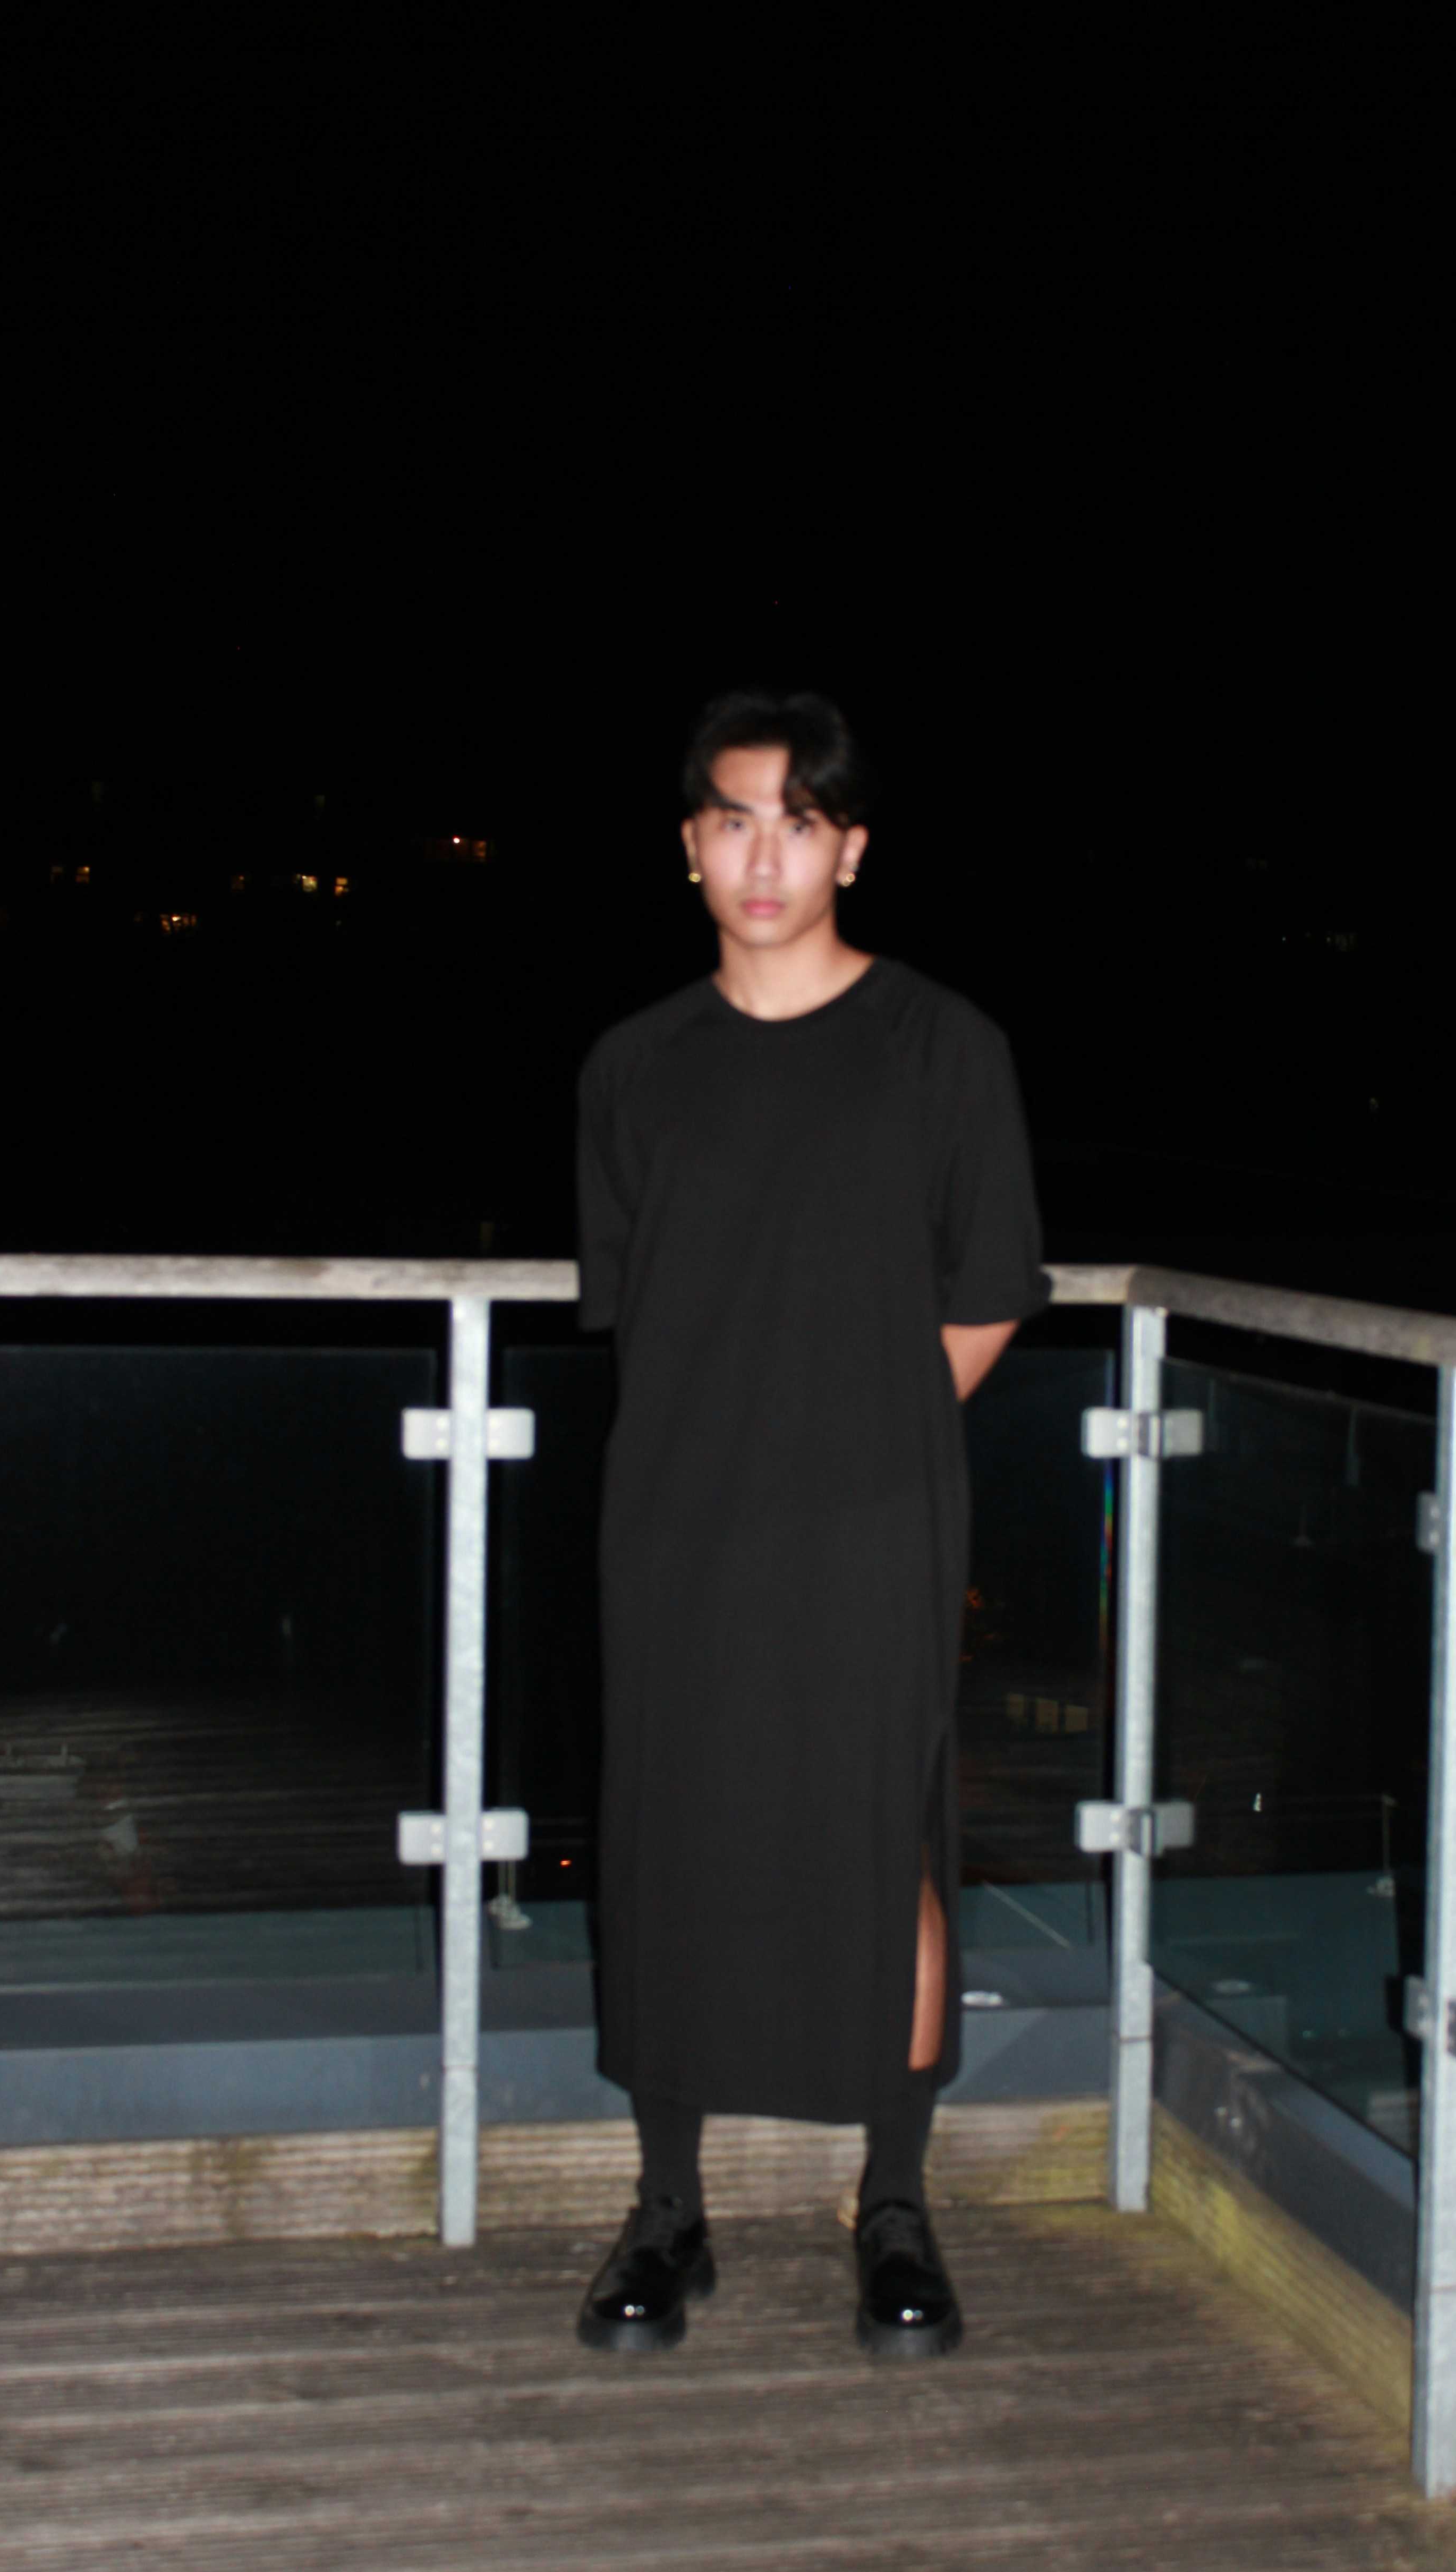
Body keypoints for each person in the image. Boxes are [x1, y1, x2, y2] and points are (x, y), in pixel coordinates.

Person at [573, 689, 1049, 2360]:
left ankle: (898, 2204)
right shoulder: (636, 1066)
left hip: (874, 1519)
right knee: (670, 1829)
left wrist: (858, 1423)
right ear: (689, 845)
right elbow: (643, 1308)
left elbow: (990, 1293)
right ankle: (666, 2213)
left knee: (880, 1829)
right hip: (676, 1521)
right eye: (730, 819)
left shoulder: (942, 1046)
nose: (762, 853)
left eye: (797, 821)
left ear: (851, 844)